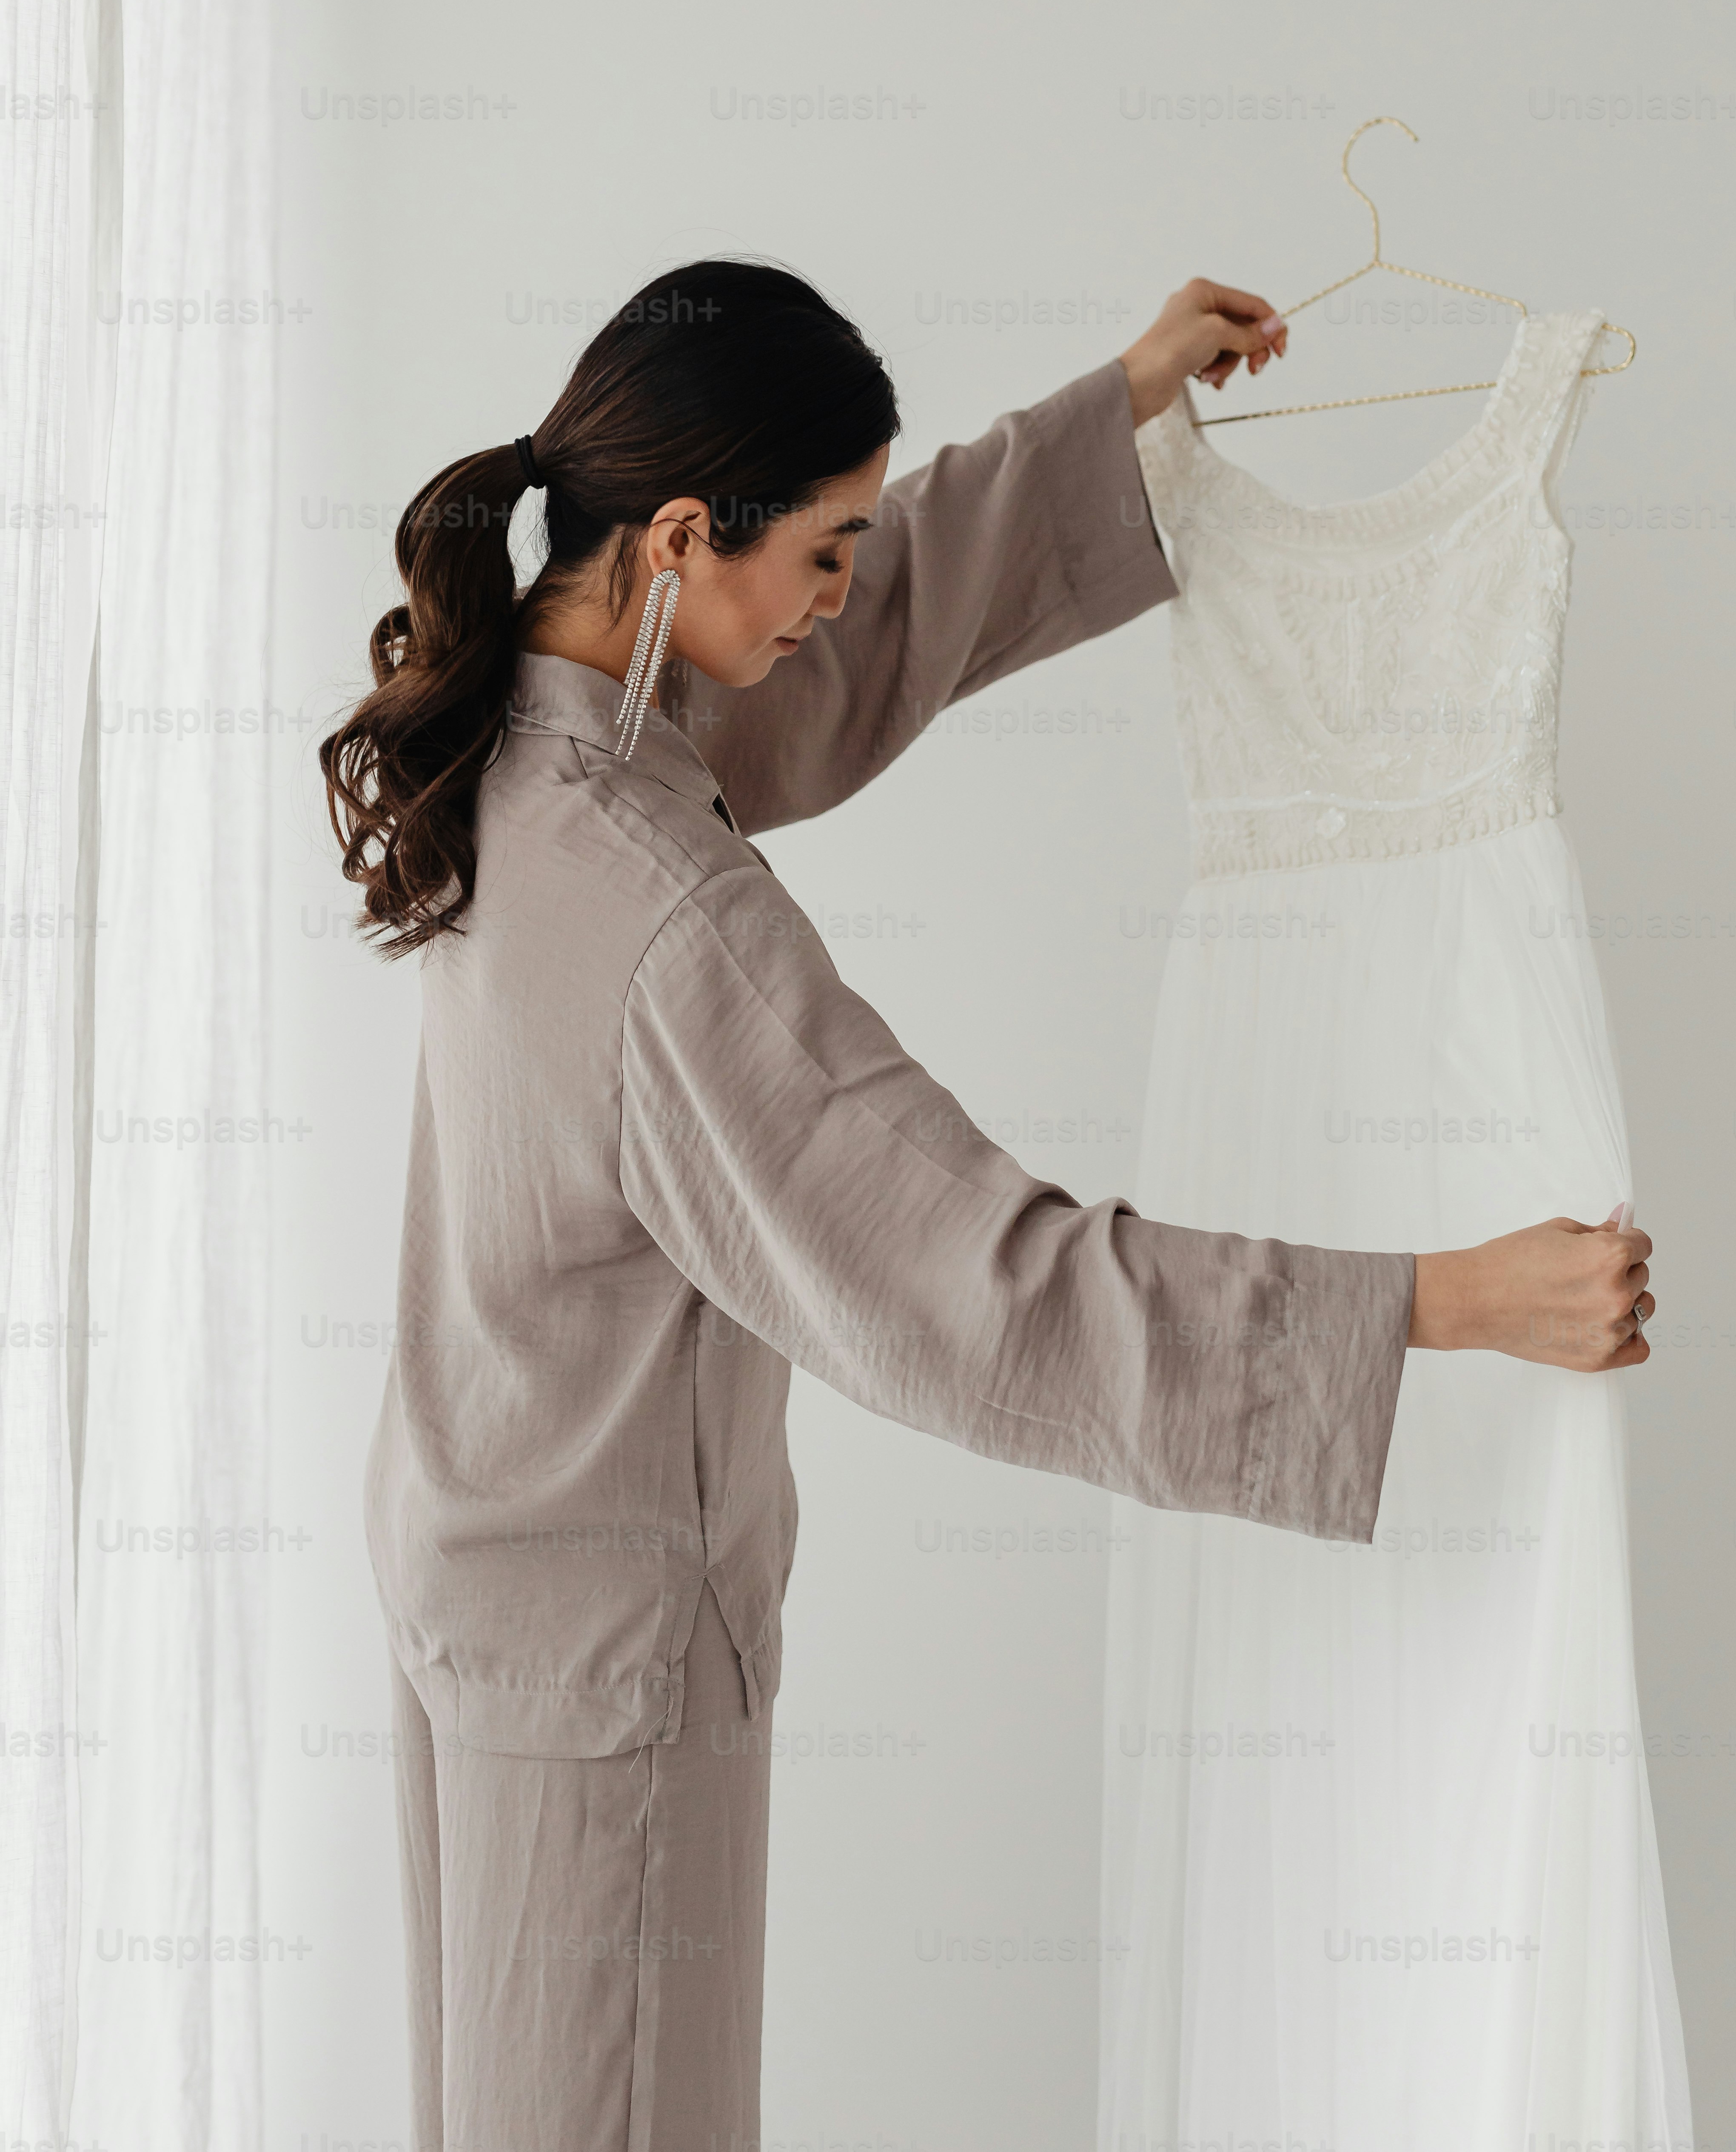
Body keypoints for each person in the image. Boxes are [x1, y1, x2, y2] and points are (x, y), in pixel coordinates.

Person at [319, 258, 1654, 2152]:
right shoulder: (654, 910)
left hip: (495, 1606)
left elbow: (847, 644)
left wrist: (1109, 415)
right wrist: (1440, 1299)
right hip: (601, 1689)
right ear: (686, 536)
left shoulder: (545, 725)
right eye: (825, 551)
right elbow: (981, 1283)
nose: (840, 600)